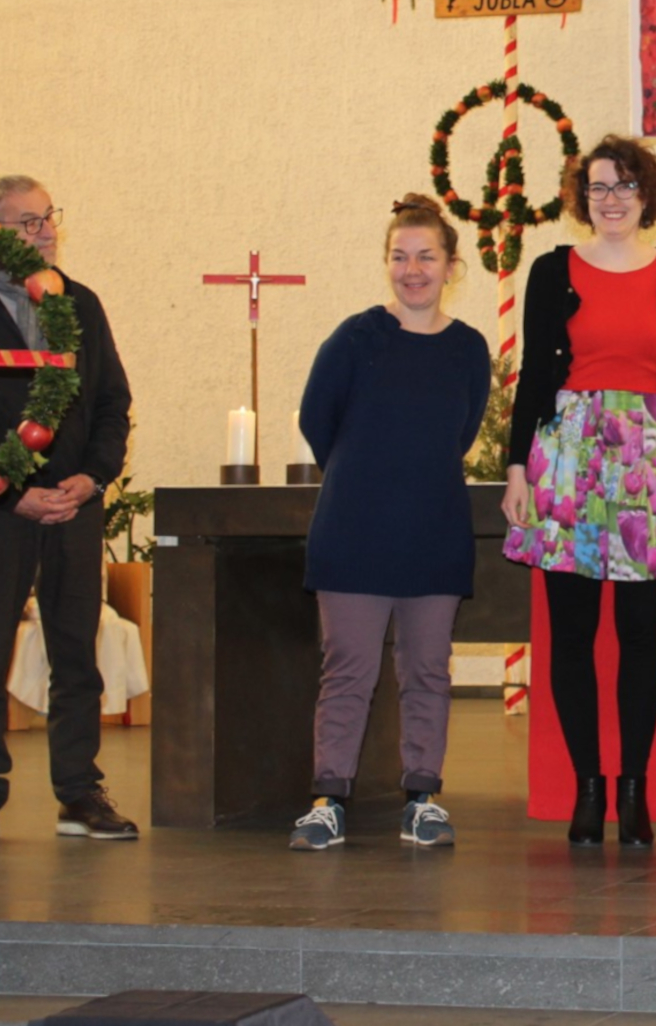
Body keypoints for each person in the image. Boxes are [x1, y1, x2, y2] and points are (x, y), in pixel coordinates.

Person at [503, 134, 656, 848]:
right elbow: (534, 371)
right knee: (570, 634)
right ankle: (587, 787)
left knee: (641, 636)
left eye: (625, 185)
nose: (613, 198)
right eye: (599, 187)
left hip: (651, 458)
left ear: (646, 194)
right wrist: (515, 469)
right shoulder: (551, 270)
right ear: (581, 197)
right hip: (567, 457)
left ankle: (636, 790)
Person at [0, 174, 136, 846]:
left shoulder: (78, 302)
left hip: (74, 506)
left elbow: (111, 404)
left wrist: (91, 477)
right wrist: (11, 492)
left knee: (76, 654)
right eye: (27, 222)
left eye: (48, 217)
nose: (45, 231)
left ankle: (80, 793)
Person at [290, 195, 490, 851]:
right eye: (400, 257)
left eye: (426, 256)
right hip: (353, 529)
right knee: (348, 670)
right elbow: (317, 421)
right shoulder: (356, 337)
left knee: (428, 670)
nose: (413, 269)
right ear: (387, 265)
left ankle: (422, 799)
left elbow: (460, 432)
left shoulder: (467, 348)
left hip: (434, 530)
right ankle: (329, 799)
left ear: (451, 266)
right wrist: (366, 477)